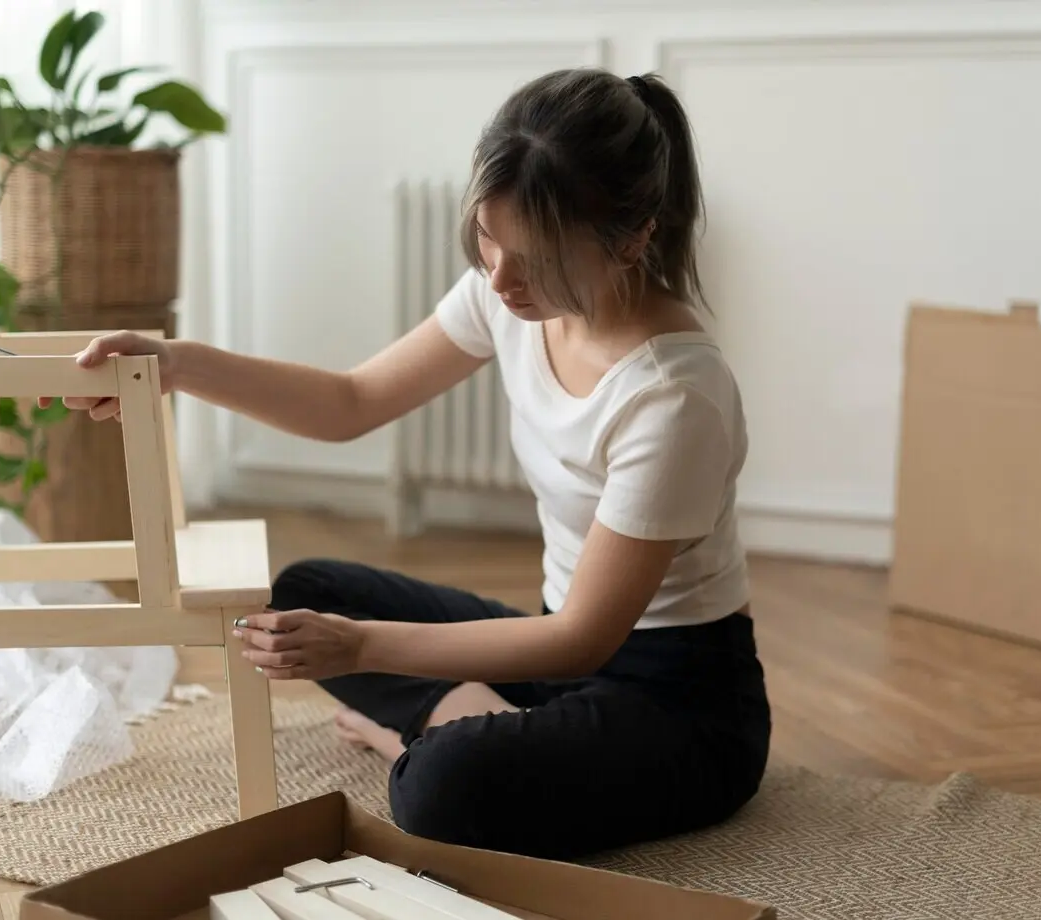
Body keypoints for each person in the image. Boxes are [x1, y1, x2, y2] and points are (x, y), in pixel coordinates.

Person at [56, 67, 770, 861]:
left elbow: (581, 640)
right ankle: (479, 716)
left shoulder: (673, 397)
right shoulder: (512, 298)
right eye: (490, 239)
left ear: (632, 239)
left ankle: (425, 735)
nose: (499, 278)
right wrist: (175, 363)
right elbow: (350, 403)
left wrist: (361, 648)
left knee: (438, 789)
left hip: (676, 701)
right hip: (553, 648)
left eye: (534, 257)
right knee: (304, 596)